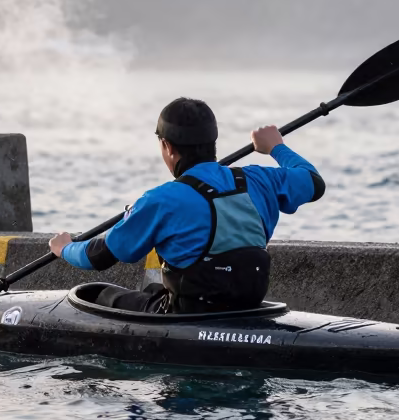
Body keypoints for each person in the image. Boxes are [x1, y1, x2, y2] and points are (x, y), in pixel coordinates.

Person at [47, 96, 325, 314]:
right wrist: (276, 146)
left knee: (95, 294)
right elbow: (314, 183)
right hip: (248, 306)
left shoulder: (161, 199)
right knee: (154, 290)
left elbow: (99, 257)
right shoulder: (259, 178)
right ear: (212, 142)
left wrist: (65, 247)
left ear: (167, 146)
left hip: (188, 314)